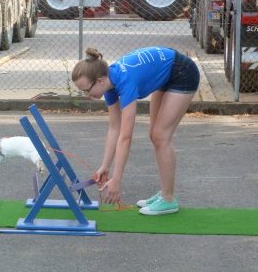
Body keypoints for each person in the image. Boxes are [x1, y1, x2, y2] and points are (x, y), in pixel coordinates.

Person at [72, 46, 200, 215]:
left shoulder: (125, 82)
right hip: (167, 72)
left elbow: (125, 137)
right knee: (155, 136)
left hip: (183, 72)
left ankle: (168, 199)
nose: (87, 96)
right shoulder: (109, 84)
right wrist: (105, 166)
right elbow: (114, 128)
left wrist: (116, 180)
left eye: (86, 91)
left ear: (100, 80)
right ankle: (164, 193)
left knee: (161, 136)